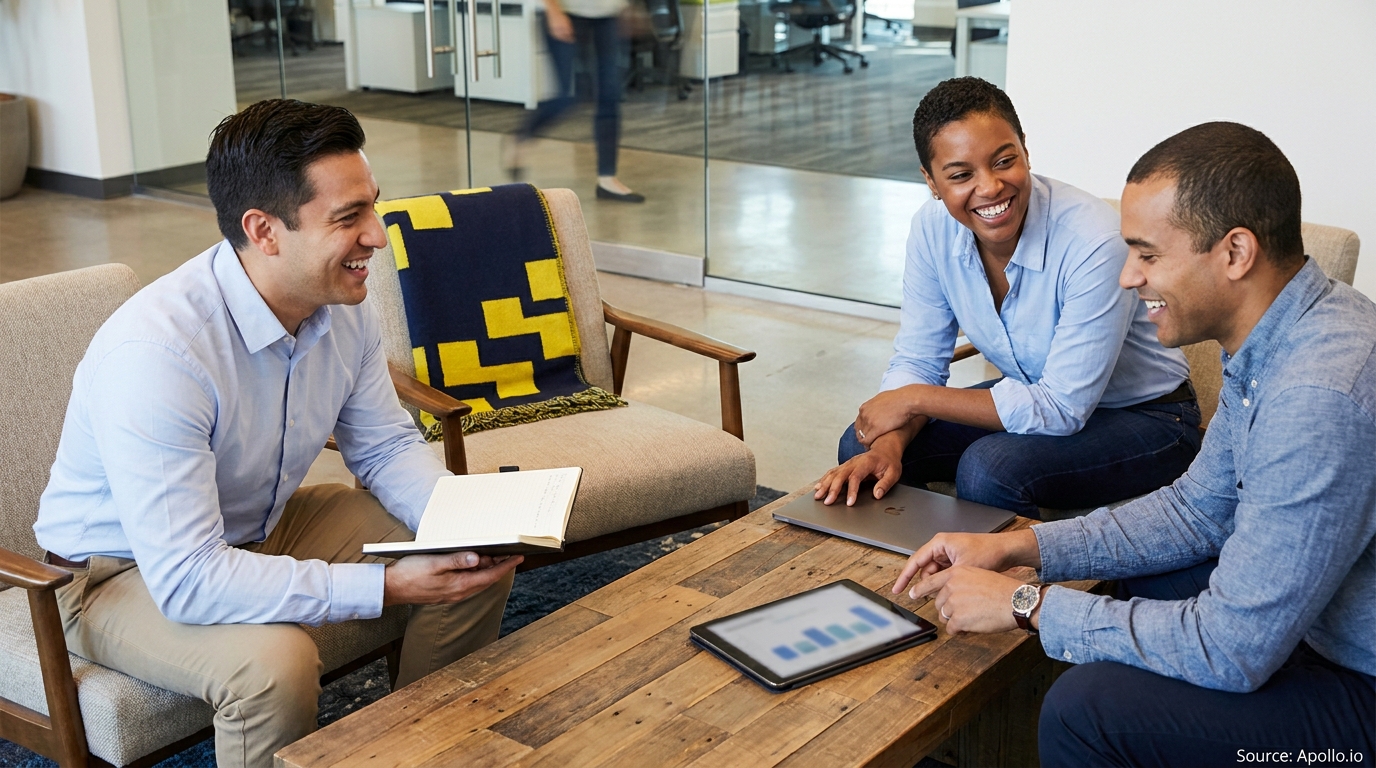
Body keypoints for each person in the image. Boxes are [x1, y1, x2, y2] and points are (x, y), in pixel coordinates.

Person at [33, 100, 523, 768]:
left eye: (372, 207)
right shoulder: (158, 353)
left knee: (471, 558)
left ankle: (414, 751)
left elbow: (383, 446)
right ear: (264, 231)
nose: (378, 237)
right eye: (349, 218)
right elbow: (188, 577)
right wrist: (389, 586)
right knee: (273, 664)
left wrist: (470, 519)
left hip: (257, 529)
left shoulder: (339, 305)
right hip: (119, 574)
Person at [895, 122, 1375, 767]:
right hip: (1322, 626)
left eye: (1147, 254)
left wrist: (1024, 603)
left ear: (1235, 253)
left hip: (1359, 687)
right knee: (1144, 578)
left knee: (1087, 711)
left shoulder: (1317, 397)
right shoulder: (1283, 336)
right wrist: (1019, 547)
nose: (1128, 276)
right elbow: (1198, 510)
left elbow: (1232, 649)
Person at [816, 77, 1199, 518]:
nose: (991, 187)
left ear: (1025, 150)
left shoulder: (1093, 240)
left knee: (989, 470)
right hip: (1039, 394)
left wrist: (913, 400)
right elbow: (919, 359)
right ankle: (913, 565)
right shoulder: (930, 230)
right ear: (932, 181)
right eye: (961, 175)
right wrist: (889, 445)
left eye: (1004, 161)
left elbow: (1063, 407)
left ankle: (1003, 580)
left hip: (1150, 418)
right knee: (861, 443)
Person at [507, 0, 643, 202]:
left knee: (609, 95)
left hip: (607, 16)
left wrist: (625, 7)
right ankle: (522, 136)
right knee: (569, 96)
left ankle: (607, 179)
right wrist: (554, 12)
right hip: (565, 13)